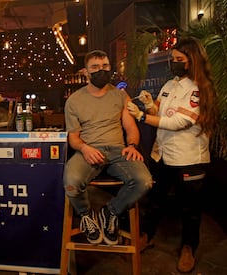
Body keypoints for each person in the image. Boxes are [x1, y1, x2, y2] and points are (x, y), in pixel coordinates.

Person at [127, 37, 218, 273]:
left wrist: (142, 117)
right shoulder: (169, 85)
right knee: (154, 200)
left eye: (179, 60)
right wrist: (149, 105)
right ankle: (147, 236)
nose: (174, 63)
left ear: (192, 61)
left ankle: (189, 248)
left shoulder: (198, 89)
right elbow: (160, 112)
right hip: (163, 154)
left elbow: (180, 122)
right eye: (173, 59)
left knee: (190, 208)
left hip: (189, 158)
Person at [63, 50, 153, 246]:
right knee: (71, 182)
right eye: (95, 67)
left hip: (118, 150)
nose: (101, 71)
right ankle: (87, 215)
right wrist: (85, 149)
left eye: (105, 66)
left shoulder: (120, 96)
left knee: (144, 181)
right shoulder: (74, 101)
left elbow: (131, 128)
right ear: (85, 72)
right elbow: (74, 139)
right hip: (88, 150)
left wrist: (132, 145)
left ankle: (110, 211)